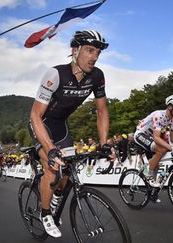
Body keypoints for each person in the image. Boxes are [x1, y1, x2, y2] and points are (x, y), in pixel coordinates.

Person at [29, 30, 113, 238]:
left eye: (98, 53)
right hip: (41, 124)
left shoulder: (97, 76)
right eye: (89, 50)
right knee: (53, 166)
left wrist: (104, 143)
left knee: (68, 169)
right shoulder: (55, 75)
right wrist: (49, 150)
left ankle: (56, 195)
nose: (94, 57)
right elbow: (35, 115)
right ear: (75, 51)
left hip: (61, 125)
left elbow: (101, 110)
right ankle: (45, 212)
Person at [134, 95, 173, 192]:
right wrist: (172, 148)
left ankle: (152, 191)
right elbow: (157, 138)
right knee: (162, 149)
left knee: (156, 164)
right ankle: (148, 175)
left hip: (150, 138)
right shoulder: (159, 116)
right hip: (141, 134)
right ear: (170, 107)